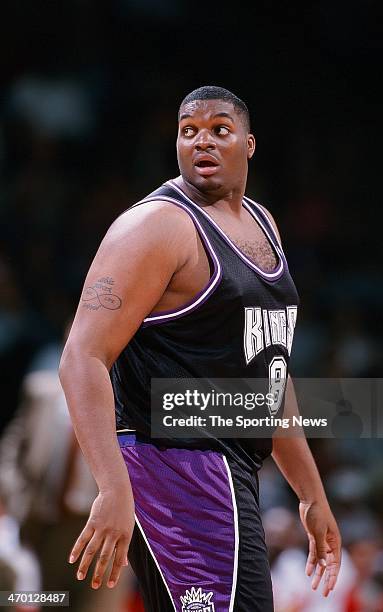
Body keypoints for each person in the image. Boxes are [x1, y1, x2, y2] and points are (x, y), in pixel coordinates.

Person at [59, 85, 341, 611]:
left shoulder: (262, 223)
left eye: (219, 130)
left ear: (249, 145)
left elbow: (266, 384)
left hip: (230, 468)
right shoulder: (157, 226)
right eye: (189, 131)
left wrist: (310, 493)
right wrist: (112, 487)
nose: (201, 142)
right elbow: (82, 356)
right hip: (176, 467)